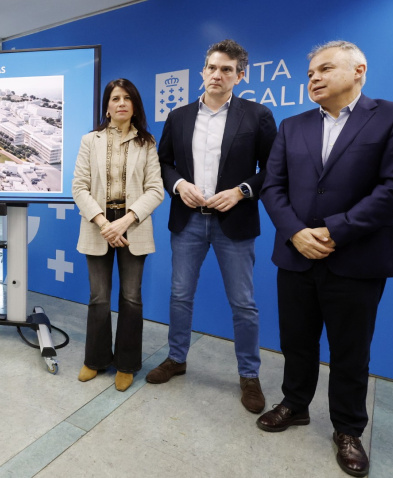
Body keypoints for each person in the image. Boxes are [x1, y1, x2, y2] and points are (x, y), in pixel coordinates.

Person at [258, 41, 393, 477]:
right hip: (296, 255)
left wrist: (336, 230)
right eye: (310, 72)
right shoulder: (292, 127)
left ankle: (348, 429)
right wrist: (295, 231)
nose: (313, 77)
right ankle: (295, 404)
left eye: (325, 68)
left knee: (351, 350)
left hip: (356, 257)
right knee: (296, 340)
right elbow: (272, 188)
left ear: (359, 70)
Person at [148, 39, 277, 414]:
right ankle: (177, 358)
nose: (217, 75)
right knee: (179, 296)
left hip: (234, 223)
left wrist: (242, 191)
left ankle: (249, 375)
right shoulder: (180, 116)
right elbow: (164, 162)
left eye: (226, 69)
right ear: (202, 71)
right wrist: (178, 185)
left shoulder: (257, 116)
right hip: (187, 222)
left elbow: (273, 169)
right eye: (211, 68)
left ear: (240, 75)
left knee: (244, 304)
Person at [72, 78, 164, 392]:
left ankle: (126, 364)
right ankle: (95, 360)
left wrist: (123, 222)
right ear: (107, 107)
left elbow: (155, 190)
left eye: (127, 98)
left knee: (131, 298)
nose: (121, 103)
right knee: (98, 299)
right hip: (98, 226)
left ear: (134, 105)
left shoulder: (147, 143)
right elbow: (79, 188)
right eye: (115, 98)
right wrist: (103, 223)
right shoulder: (90, 140)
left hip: (132, 227)